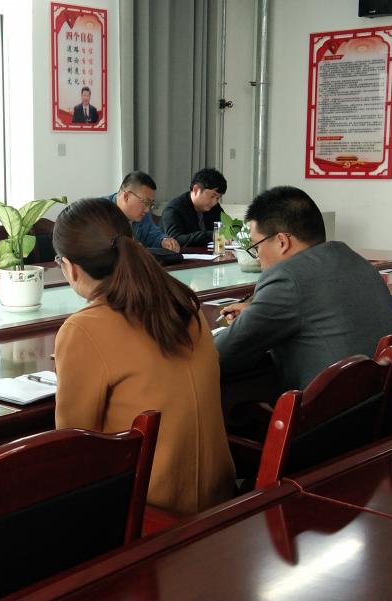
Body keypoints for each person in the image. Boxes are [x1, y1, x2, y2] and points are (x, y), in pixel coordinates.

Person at [52, 198, 234, 516]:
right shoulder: (182, 303)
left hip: (151, 514)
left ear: (70, 267)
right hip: (220, 497)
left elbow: (72, 449)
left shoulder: (83, 329)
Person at [214, 186, 392, 394]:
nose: (257, 257)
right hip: (386, 397)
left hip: (333, 408)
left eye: (256, 246)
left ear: (282, 242)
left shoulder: (286, 279)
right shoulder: (353, 259)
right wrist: (257, 312)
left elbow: (220, 354)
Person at [109, 171, 181, 252]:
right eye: (146, 202)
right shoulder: (100, 212)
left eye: (151, 204)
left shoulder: (141, 215)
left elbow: (153, 234)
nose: (147, 210)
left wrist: (164, 241)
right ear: (126, 196)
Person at [162, 168, 227, 248]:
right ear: (196, 190)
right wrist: (212, 235)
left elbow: (226, 227)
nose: (214, 202)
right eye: (212, 196)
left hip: (206, 254)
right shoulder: (174, 209)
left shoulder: (214, 208)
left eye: (218, 198)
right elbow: (175, 240)